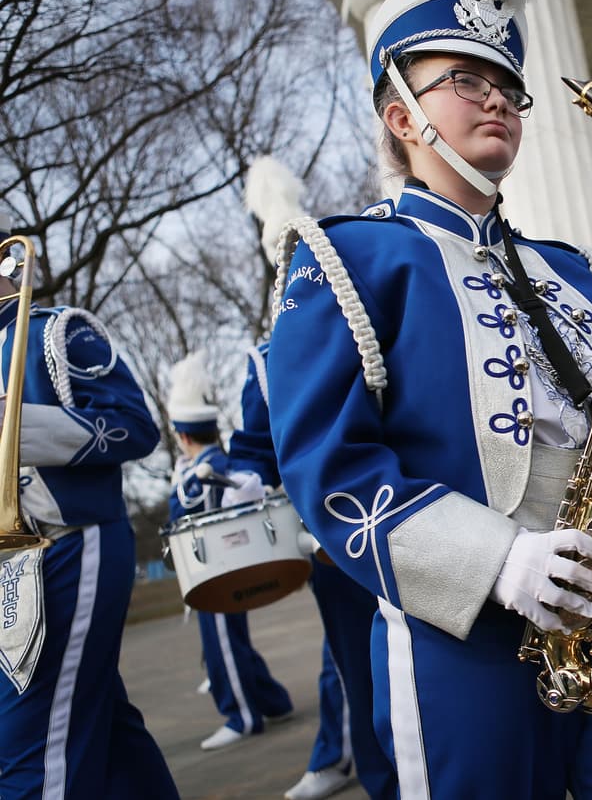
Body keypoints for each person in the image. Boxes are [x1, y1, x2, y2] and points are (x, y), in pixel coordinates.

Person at [267, 0, 592, 795]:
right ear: (402, 115)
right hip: (460, 640)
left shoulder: (570, 269)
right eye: (464, 79)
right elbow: (329, 470)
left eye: (507, 83)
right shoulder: (346, 258)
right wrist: (498, 561)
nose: (496, 97)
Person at [222, 155, 396, 800]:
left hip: (425, 520)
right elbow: (254, 446)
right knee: (359, 675)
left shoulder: (384, 312)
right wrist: (245, 481)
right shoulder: (265, 360)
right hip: (335, 542)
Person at [0, 226, 179, 797]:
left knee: (29, 750)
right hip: (15, 565)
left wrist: (15, 425)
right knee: (98, 727)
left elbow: (134, 426)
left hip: (64, 540)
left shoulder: (55, 331)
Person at [167, 351, 294, 751]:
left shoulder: (207, 471)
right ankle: (274, 701)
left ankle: (243, 715)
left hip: (218, 565)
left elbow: (186, 518)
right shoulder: (208, 465)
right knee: (227, 644)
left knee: (224, 645)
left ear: (182, 435)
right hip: (215, 566)